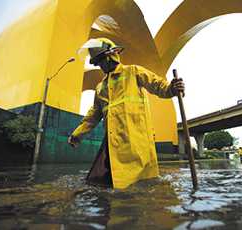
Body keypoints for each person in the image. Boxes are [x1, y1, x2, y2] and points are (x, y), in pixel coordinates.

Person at [68, 38, 185, 189]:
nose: (101, 66)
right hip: (114, 147)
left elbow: (158, 85)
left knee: (140, 190)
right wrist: (77, 134)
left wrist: (172, 89)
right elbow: (93, 116)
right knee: (105, 188)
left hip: (137, 147)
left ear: (112, 55)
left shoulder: (133, 72)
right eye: (97, 63)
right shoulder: (100, 88)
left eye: (101, 61)